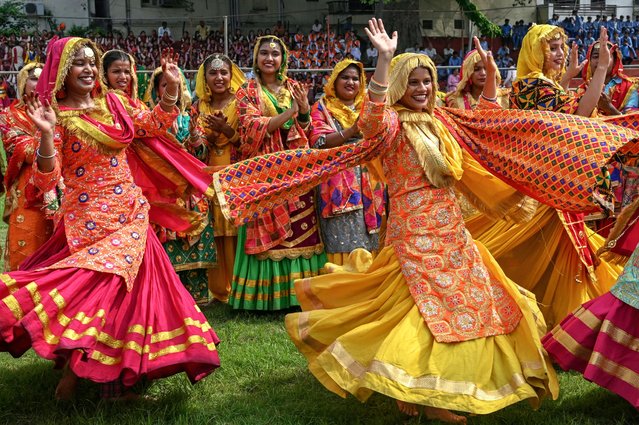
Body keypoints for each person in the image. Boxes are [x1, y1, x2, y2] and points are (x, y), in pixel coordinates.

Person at [6, 37, 220, 399]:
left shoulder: (115, 102)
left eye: (92, 62)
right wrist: (44, 134)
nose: (89, 69)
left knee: (132, 295)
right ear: (62, 71)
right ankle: (79, 371)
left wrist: (169, 90)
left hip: (131, 212)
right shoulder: (57, 116)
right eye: (80, 63)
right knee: (94, 291)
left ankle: (122, 373)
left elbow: (151, 125)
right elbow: (47, 177)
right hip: (86, 218)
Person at [464, 24, 625, 329]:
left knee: (561, 257)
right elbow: (578, 115)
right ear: (535, 52)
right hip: (546, 188)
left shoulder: (535, 84)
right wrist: (601, 68)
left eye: (561, 47)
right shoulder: (534, 86)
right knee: (551, 256)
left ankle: (565, 322)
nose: (560, 53)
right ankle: (568, 324)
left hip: (551, 185)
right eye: (552, 48)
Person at [231, 35, 327, 310]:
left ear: (283, 59)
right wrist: (290, 113)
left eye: (275, 54)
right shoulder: (247, 91)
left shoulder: (294, 87)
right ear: (256, 58)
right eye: (264, 53)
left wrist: (305, 111)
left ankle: (301, 296)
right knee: (269, 230)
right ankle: (267, 299)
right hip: (264, 170)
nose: (270, 58)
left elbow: (308, 129)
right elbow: (250, 128)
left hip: (295, 169)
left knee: (301, 226)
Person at [309, 59, 386, 265]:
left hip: (370, 179)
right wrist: (351, 132)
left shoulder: (367, 106)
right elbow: (318, 142)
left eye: (355, 78)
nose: (350, 82)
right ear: (334, 81)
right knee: (341, 236)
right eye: (345, 77)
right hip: (336, 183)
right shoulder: (322, 107)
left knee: (372, 237)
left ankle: (369, 287)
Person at [190, 53, 246, 303]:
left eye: (224, 72)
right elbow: (194, 145)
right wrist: (208, 137)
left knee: (235, 228)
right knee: (215, 230)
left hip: (237, 171)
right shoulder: (199, 107)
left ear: (231, 75)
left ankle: (240, 286)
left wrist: (226, 131)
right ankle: (217, 289)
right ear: (205, 78)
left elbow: (251, 141)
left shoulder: (243, 103)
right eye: (213, 73)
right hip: (208, 172)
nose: (219, 77)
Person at [0, 62, 58, 271]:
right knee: (26, 250)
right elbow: (21, 149)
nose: (39, 83)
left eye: (44, 79)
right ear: (23, 82)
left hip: (61, 188)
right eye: (34, 78)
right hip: (26, 192)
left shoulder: (60, 112)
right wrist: (51, 138)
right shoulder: (9, 115)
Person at [577, 41, 639, 116]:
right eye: (596, 57)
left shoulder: (629, 87)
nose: (600, 61)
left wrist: (609, 108)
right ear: (589, 61)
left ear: (615, 61)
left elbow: (633, 120)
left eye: (605, 56)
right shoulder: (581, 90)